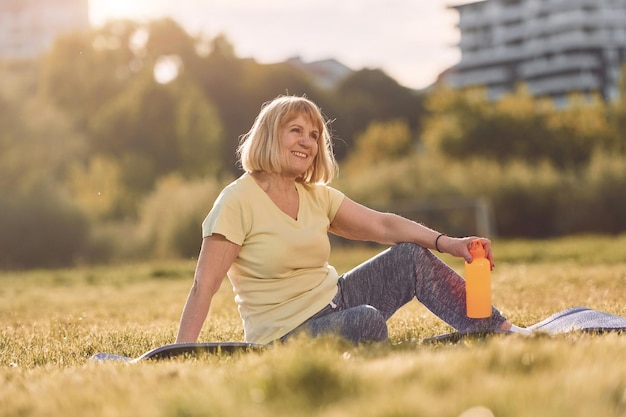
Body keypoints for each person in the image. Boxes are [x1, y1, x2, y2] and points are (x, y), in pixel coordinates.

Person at [175, 95, 528, 346]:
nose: (307, 142)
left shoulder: (315, 194)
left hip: (338, 297)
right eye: (295, 131)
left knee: (409, 257)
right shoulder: (237, 200)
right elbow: (204, 286)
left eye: (314, 135)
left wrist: (448, 243)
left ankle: (496, 328)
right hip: (285, 333)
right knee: (366, 320)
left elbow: (384, 226)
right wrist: (180, 352)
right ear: (269, 135)